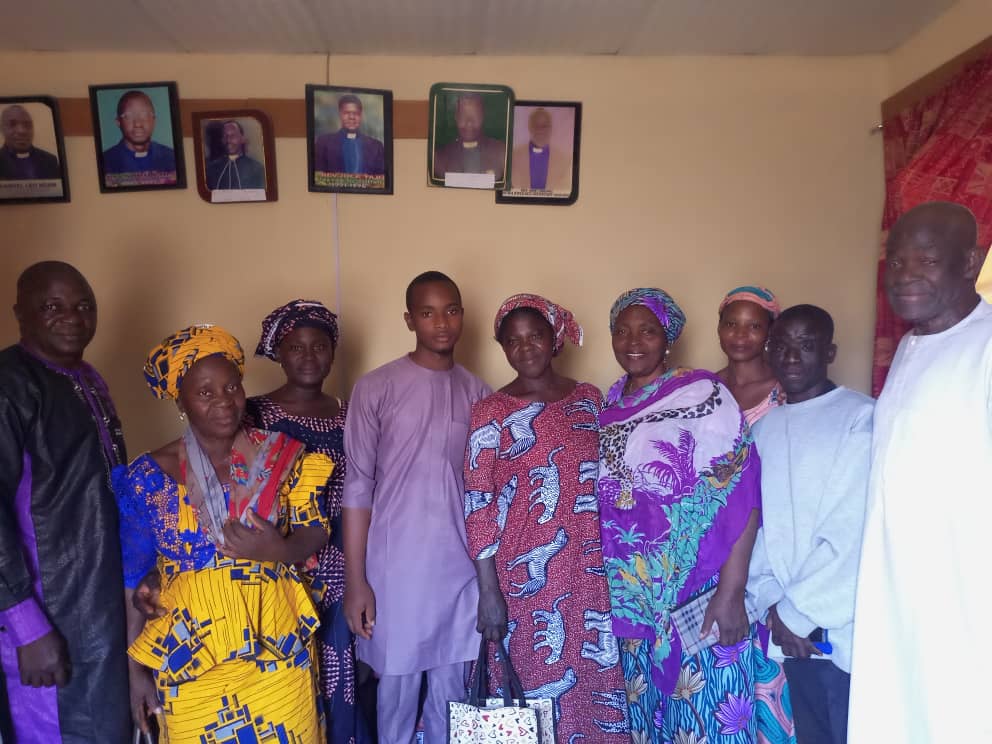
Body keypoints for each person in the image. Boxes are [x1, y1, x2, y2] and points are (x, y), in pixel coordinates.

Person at [116, 324, 330, 741]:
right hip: (191, 655)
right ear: (180, 401)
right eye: (205, 392)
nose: (224, 402)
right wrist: (135, 671)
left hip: (277, 644)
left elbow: (315, 530)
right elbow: (133, 577)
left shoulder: (279, 455)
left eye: (232, 387)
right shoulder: (148, 477)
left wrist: (280, 550)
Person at [848, 201, 992, 744]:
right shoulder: (912, 345)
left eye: (926, 260)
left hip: (965, 598)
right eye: (896, 261)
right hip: (896, 591)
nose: (905, 275)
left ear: (969, 262)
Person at [598, 288, 764, 743]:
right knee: (647, 728)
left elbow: (741, 491)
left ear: (668, 338)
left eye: (647, 331)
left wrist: (731, 591)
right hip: (630, 606)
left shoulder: (703, 394)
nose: (634, 341)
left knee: (707, 723)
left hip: (698, 598)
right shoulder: (606, 409)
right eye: (622, 331)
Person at [465, 293, 627, 741]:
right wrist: (488, 590)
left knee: (593, 686)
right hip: (523, 581)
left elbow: (611, 483)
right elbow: (477, 504)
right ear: (502, 348)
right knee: (532, 685)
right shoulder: (491, 412)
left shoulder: (589, 400)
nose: (525, 348)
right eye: (513, 341)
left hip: (590, 573)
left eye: (535, 336)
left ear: (554, 338)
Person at [342, 271, 490, 744]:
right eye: (427, 313)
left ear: (463, 316)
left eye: (451, 311)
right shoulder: (376, 387)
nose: (441, 323)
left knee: (452, 695)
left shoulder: (478, 393)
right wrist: (356, 581)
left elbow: (485, 492)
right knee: (397, 696)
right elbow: (357, 487)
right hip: (396, 569)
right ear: (409, 320)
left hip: (459, 571)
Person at [0, 261, 130, 742]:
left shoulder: (86, 377)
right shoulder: (10, 385)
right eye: (52, 306)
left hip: (98, 610)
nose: (72, 318)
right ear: (21, 313)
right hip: (44, 620)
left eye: (83, 305)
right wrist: (25, 626)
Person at [246, 299, 371, 744]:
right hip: (278, 564)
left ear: (333, 352)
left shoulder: (351, 412)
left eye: (319, 346)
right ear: (279, 353)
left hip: (343, 563)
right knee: (285, 677)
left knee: (341, 674)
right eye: (296, 347)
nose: (308, 356)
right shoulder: (253, 413)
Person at [747, 304, 873, 744]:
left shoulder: (861, 418)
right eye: (781, 345)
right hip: (790, 633)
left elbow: (854, 530)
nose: (791, 356)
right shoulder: (765, 429)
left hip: (840, 629)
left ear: (830, 352)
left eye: (806, 345)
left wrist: (799, 613)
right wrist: (772, 604)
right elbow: (759, 528)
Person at [715, 286, 785, 426]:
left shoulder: (785, 390)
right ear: (719, 328)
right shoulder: (705, 386)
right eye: (731, 324)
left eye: (754, 326)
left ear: (770, 332)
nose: (740, 334)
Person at [101, 90, 177, 185]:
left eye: (144, 115)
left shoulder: (172, 158)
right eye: (129, 116)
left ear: (154, 120)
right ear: (118, 122)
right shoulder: (104, 162)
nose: (138, 124)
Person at [432, 93, 506, 181]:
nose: (469, 123)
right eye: (463, 116)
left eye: (475, 115)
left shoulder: (502, 152)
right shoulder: (439, 158)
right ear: (456, 117)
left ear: (483, 116)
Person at [314, 94, 385, 176]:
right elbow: (318, 178)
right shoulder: (323, 143)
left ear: (361, 115)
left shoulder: (376, 147)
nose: (351, 117)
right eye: (346, 113)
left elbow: (381, 180)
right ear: (340, 114)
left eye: (356, 113)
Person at [509, 108, 572, 193]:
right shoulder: (513, 157)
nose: (540, 131)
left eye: (544, 126)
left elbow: (565, 192)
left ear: (550, 128)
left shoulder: (564, 161)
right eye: (536, 126)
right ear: (530, 127)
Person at [0, 105, 60, 179]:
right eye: (12, 124)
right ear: (2, 129)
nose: (22, 131)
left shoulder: (50, 161)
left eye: (27, 125)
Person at [205, 120, 265, 190]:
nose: (228, 140)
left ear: (242, 139)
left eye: (233, 136)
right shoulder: (211, 169)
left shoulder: (257, 169)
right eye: (225, 136)